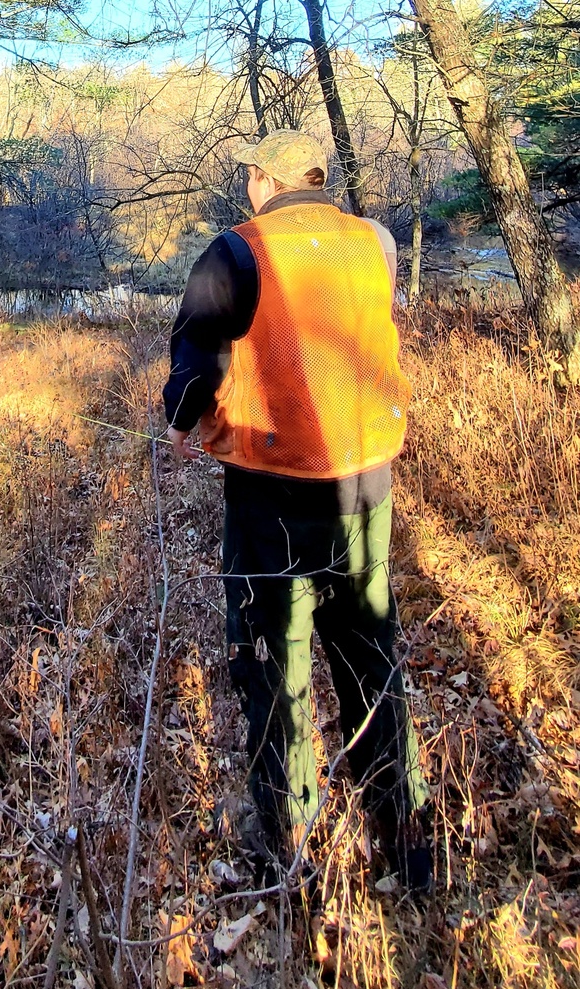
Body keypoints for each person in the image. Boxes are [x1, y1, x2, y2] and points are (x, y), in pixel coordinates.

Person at [162, 129, 431, 891]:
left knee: (278, 671)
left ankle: (291, 863)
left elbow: (193, 369)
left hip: (270, 497)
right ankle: (406, 846)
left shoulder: (236, 250)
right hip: (367, 488)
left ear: (264, 178)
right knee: (372, 659)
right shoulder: (371, 242)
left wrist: (180, 422)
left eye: (249, 172)